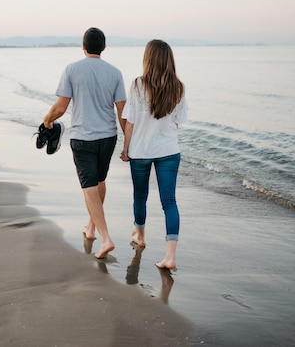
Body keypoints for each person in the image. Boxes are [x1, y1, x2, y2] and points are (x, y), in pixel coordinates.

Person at [42, 27, 127, 259]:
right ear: (104, 47)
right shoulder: (115, 73)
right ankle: (90, 228)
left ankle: (105, 237)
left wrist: (47, 120)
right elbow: (122, 112)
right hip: (108, 137)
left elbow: (61, 107)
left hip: (83, 137)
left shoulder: (72, 70)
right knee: (99, 180)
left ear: (83, 46)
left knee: (88, 186)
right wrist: (127, 143)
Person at [120, 39, 188, 270]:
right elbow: (178, 122)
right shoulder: (178, 87)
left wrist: (125, 148)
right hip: (169, 151)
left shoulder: (138, 85)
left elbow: (130, 122)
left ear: (148, 58)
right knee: (169, 202)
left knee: (140, 196)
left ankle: (140, 236)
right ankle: (170, 257)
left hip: (140, 150)